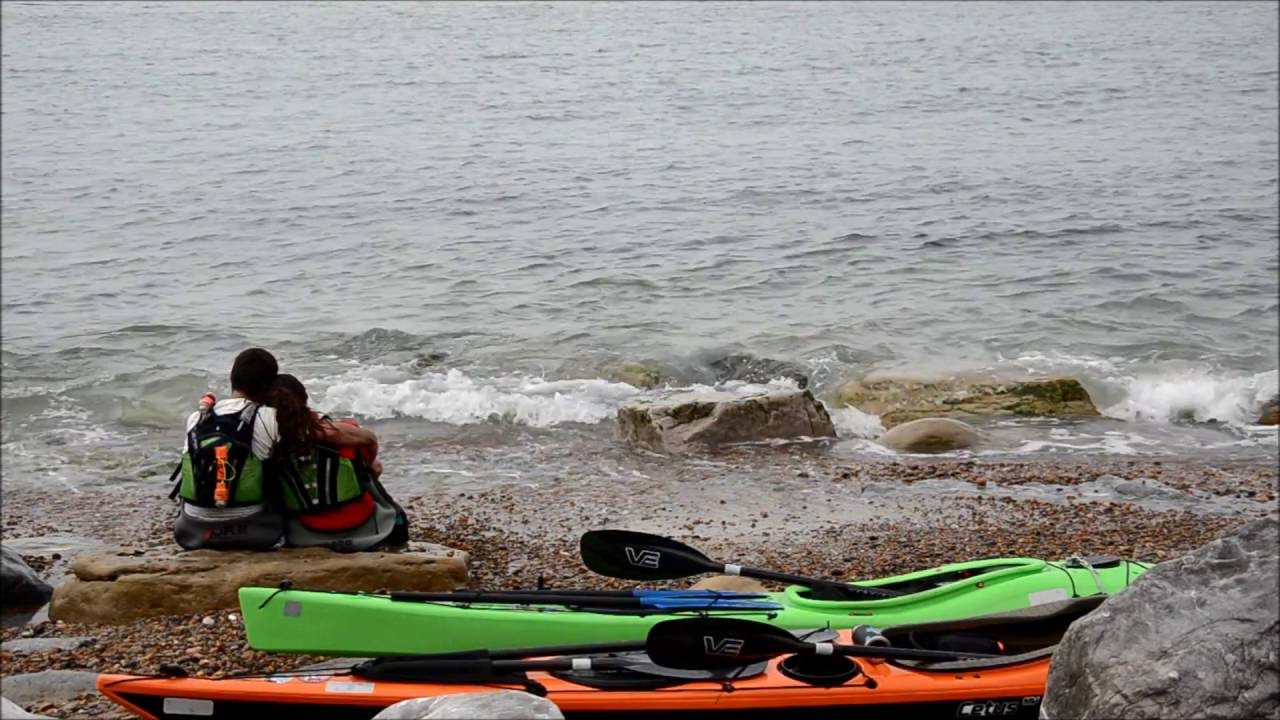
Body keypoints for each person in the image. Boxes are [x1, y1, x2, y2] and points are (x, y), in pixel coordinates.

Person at [267, 373, 409, 551]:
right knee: (371, 467)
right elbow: (372, 455)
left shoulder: (267, 444)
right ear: (305, 398)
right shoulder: (344, 434)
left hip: (303, 534)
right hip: (364, 528)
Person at [170, 348, 286, 550]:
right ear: (269, 386)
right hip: (254, 526)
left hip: (193, 526)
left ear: (233, 379)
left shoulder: (197, 417)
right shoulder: (270, 416)